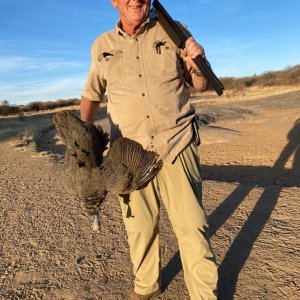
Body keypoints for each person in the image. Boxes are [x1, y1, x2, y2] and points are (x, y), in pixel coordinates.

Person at [80, 1, 218, 299]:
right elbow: (92, 95)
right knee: (139, 230)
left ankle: (204, 295)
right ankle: (146, 288)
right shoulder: (101, 45)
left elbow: (200, 83)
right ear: (114, 2)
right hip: (128, 156)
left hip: (177, 144)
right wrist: (82, 138)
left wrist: (197, 60)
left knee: (192, 227)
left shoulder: (174, 30)